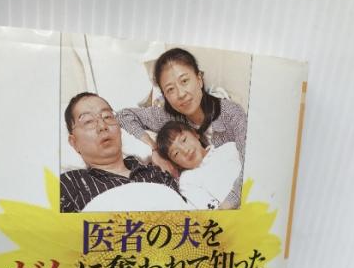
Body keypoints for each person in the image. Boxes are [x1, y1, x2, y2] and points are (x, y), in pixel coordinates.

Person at [116, 48, 247, 208]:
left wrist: (227, 206)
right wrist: (154, 149)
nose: (181, 94)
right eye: (170, 89)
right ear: (165, 95)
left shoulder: (231, 114)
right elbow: (123, 116)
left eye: (184, 81)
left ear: (199, 79)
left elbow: (250, 166)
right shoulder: (169, 117)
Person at [60, 92, 182, 212]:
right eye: (88, 121)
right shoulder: (68, 186)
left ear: (120, 129)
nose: (102, 126)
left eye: (107, 116)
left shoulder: (157, 174)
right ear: (74, 143)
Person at [156, 121, 242, 209]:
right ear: (176, 164)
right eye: (176, 153)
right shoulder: (188, 180)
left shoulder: (230, 148)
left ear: (195, 134)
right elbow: (213, 211)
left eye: (184, 140)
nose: (185, 150)